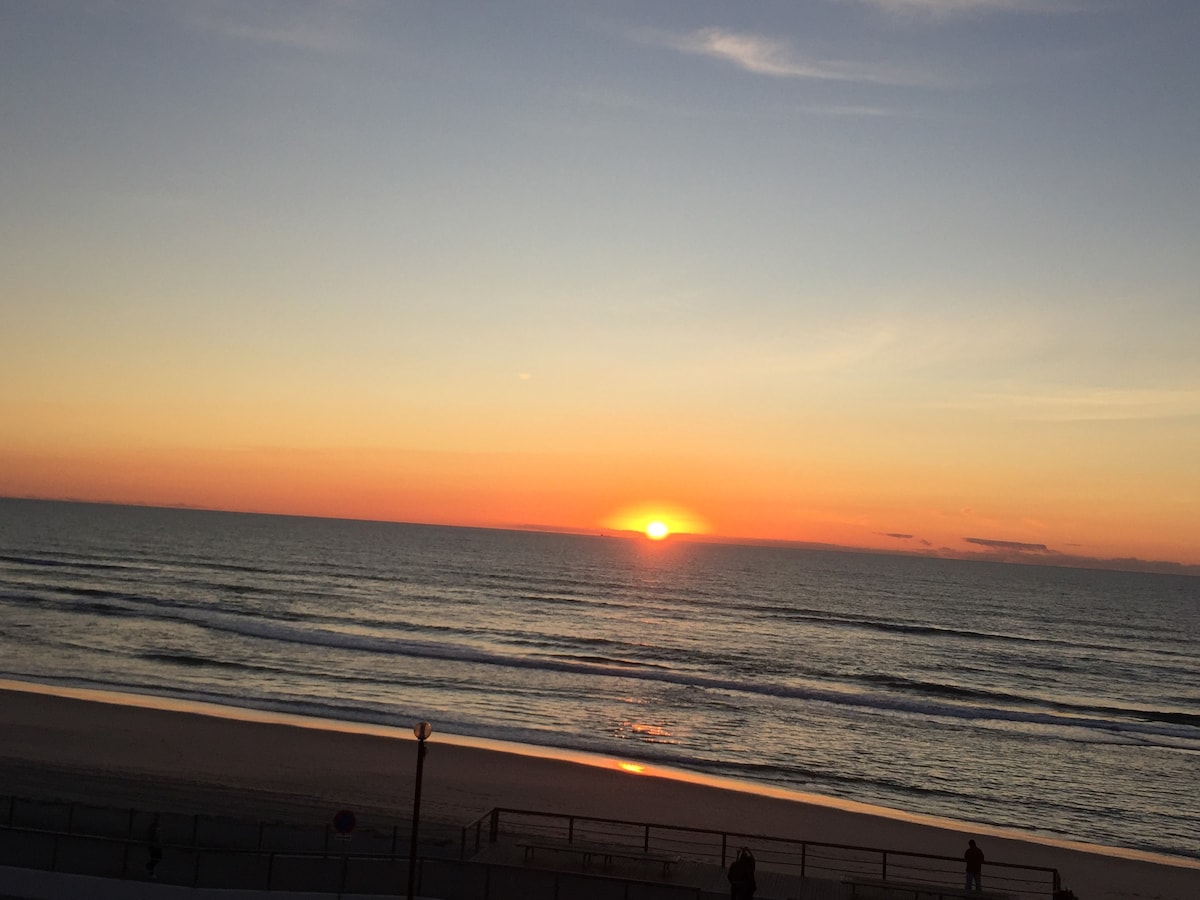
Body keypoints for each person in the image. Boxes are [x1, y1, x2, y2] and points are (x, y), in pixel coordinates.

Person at [145, 814, 163, 879]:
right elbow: (152, 836)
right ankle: (150, 870)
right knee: (156, 858)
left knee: (156, 858)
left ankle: (150, 869)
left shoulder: (154, 828)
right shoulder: (153, 828)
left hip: (156, 845)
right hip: (154, 845)